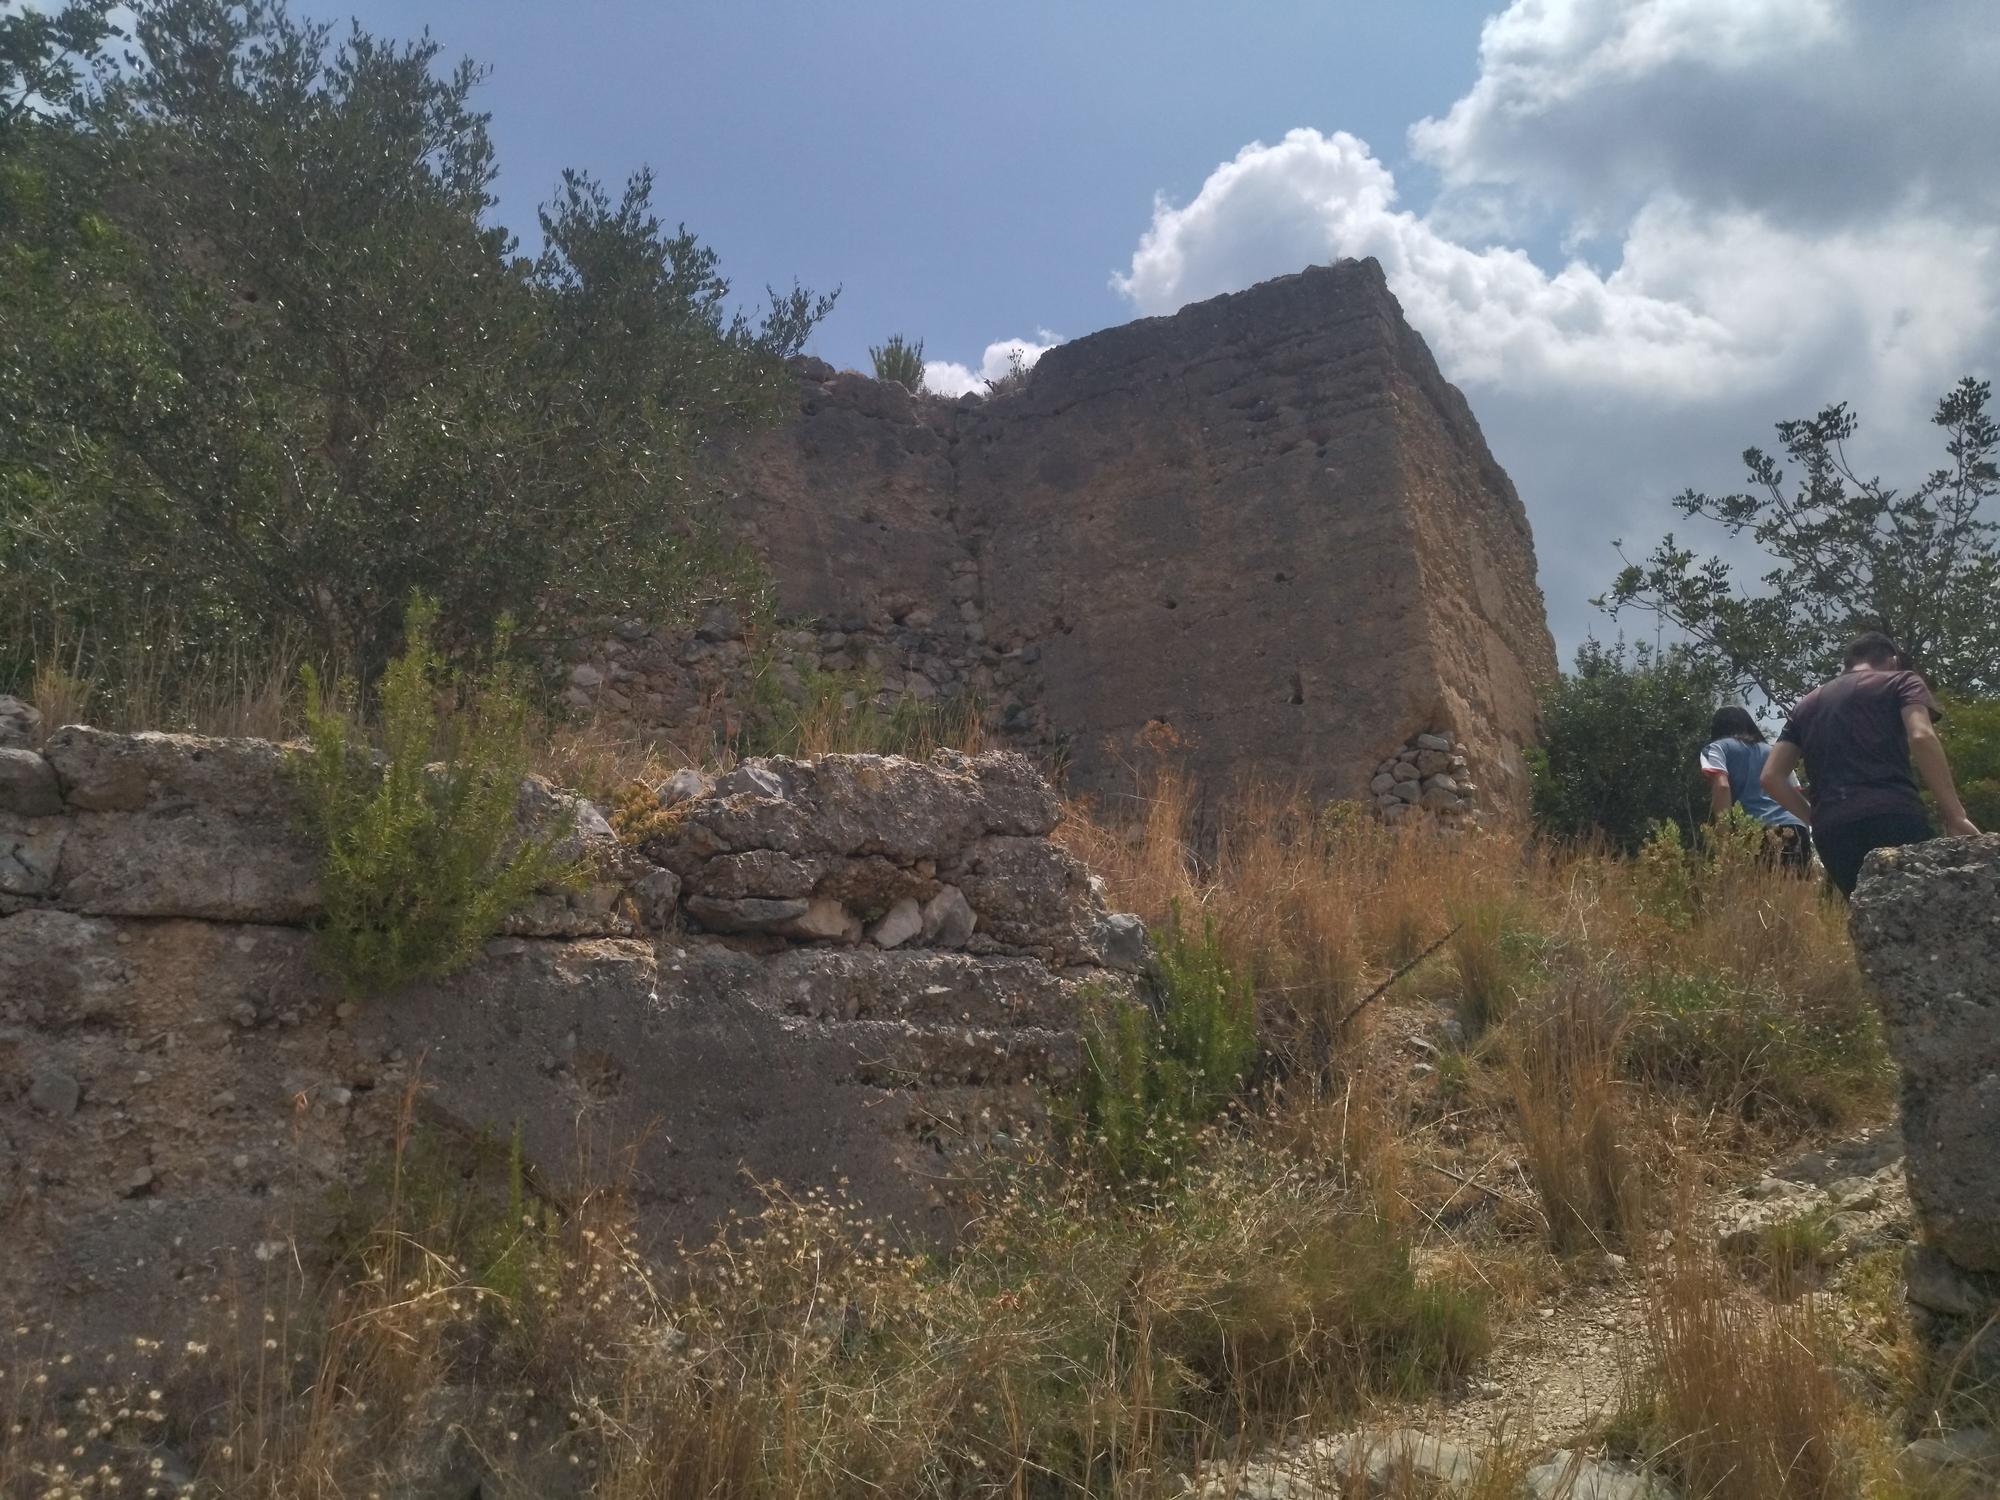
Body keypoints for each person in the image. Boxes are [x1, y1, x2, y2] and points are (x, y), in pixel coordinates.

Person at [1760, 632, 1981, 896]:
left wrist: (1815, 817)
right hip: (1893, 814)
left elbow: (1771, 776)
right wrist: (1956, 815)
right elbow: (1921, 736)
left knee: (1872, 921)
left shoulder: (1805, 706)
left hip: (1833, 832)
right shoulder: (1902, 680)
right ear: (1893, 661)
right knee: (1923, 914)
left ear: (1848, 664)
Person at [1699, 705, 1811, 871]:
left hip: (1755, 831)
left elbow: (1722, 786)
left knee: (1758, 893)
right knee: (1796, 891)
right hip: (1795, 828)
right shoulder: (1773, 753)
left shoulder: (1716, 748)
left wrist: (1724, 839)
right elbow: (1795, 793)